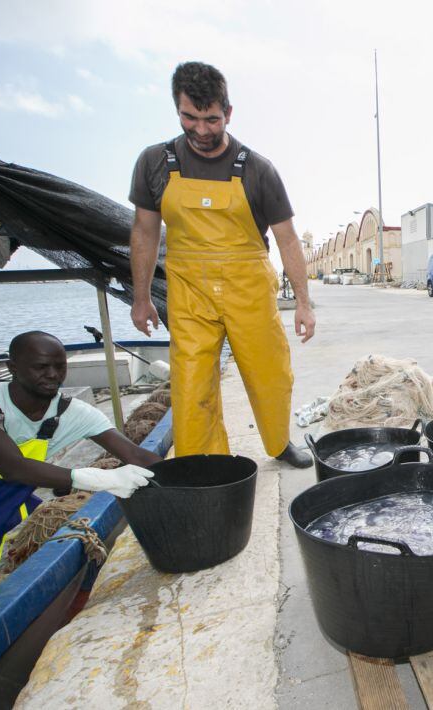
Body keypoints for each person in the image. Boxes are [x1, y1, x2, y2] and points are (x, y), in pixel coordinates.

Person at [129, 61, 315, 467]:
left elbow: (286, 238)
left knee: (270, 373)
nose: (200, 130)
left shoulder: (258, 169)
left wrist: (303, 302)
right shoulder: (154, 163)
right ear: (176, 109)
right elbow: (144, 232)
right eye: (189, 118)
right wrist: (140, 297)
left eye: (211, 119)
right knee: (191, 382)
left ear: (228, 113)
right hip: (189, 291)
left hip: (248, 286)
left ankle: (280, 442)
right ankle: (203, 464)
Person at [0, 331, 160, 631]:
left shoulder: (74, 414)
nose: (53, 375)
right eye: (41, 367)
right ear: (13, 367)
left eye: (59, 366)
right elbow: (12, 468)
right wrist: (96, 478)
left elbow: (136, 455)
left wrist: (196, 475)